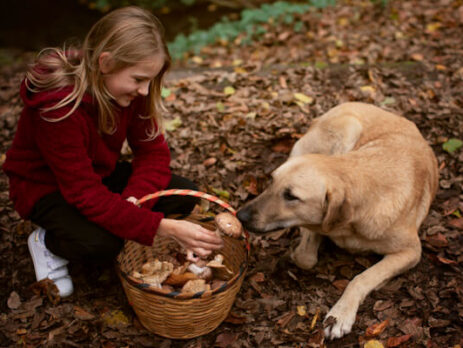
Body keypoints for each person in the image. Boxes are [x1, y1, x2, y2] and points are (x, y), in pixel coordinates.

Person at [2, 6, 223, 297]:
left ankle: (121, 223)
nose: (145, 90)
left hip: (97, 175)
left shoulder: (131, 92)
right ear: (105, 63)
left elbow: (153, 154)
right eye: (138, 79)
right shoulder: (59, 109)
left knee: (181, 193)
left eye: (149, 80)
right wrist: (161, 227)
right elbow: (83, 193)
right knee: (103, 243)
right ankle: (48, 244)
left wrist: (135, 201)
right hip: (47, 189)